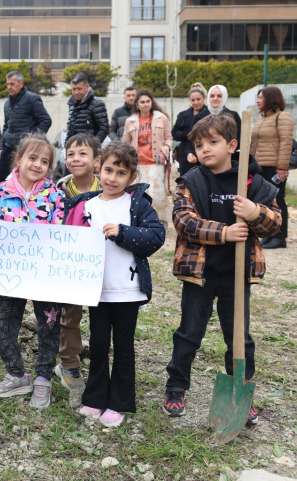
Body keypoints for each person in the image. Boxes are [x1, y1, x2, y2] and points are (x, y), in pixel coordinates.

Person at [163, 114, 281, 423]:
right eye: (198, 144)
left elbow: (274, 223)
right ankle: (176, 386)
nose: (204, 149)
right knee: (189, 333)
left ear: (231, 145)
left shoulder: (253, 182)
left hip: (237, 275)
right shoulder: (191, 181)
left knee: (239, 337)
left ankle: (241, 390)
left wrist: (254, 212)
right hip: (200, 274)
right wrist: (224, 232)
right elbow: (183, 221)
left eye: (213, 142)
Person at [63, 141, 165, 427]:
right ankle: (95, 397)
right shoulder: (85, 205)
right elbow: (68, 238)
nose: (112, 178)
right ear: (99, 167)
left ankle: (120, 402)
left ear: (132, 177)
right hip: (96, 290)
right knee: (97, 344)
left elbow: (156, 236)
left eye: (121, 173)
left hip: (127, 290)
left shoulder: (137, 204)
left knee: (123, 346)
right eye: (108, 170)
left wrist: (123, 233)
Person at [0, 134, 65, 409]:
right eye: (32, 158)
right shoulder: (0, 192)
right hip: (13, 273)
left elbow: (60, 228)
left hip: (45, 274)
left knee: (49, 324)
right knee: (2, 322)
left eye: (44, 161)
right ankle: (17, 374)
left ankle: (43, 378)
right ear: (18, 159)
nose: (38, 164)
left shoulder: (54, 194)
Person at [53, 133, 100, 390]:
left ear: (97, 160)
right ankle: (68, 362)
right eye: (70, 154)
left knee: (102, 315)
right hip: (69, 266)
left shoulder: (109, 189)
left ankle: (102, 359)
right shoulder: (58, 191)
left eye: (83, 153)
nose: (75, 158)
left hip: (100, 266)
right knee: (70, 315)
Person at [250, 86, 293, 250]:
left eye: (261, 97)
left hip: (274, 168)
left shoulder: (283, 117)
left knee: (277, 200)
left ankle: (280, 237)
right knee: (264, 200)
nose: (257, 101)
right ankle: (269, 233)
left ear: (271, 99)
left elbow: (286, 142)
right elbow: (254, 144)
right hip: (259, 167)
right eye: (257, 97)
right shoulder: (260, 119)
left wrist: (282, 167)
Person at [0, 71, 52, 185]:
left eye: (12, 84)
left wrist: (33, 140)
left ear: (21, 83)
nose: (9, 87)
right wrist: (2, 146)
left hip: (25, 148)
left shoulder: (32, 99)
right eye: (8, 84)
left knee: (25, 179)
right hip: (9, 148)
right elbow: (6, 126)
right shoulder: (7, 104)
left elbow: (46, 120)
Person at [122, 89, 173, 226]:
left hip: (156, 163)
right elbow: (125, 142)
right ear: (137, 104)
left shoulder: (161, 118)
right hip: (138, 164)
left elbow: (169, 138)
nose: (146, 104)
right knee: (139, 194)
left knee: (156, 195)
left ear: (152, 102)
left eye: (148, 101)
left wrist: (164, 151)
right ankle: (141, 222)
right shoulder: (130, 121)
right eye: (142, 102)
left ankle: (160, 222)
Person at [172, 85, 209, 176]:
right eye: (193, 100)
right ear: (189, 100)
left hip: (205, 151)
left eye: (198, 99)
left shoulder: (209, 114)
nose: (196, 102)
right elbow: (174, 133)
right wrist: (187, 134)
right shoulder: (182, 115)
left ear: (204, 98)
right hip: (185, 154)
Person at [66, 72, 109, 144]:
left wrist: (93, 146)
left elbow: (104, 128)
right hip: (74, 148)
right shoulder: (72, 104)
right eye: (74, 89)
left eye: (79, 89)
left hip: (89, 149)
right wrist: (67, 145)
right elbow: (70, 130)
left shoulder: (97, 104)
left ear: (87, 87)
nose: (76, 92)